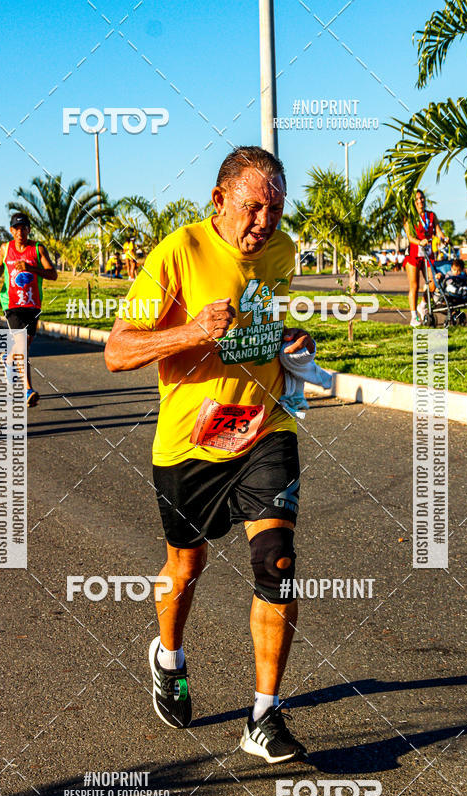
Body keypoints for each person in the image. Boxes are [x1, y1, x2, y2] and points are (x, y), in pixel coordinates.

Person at [105, 146, 313, 764]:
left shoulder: (282, 253)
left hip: (264, 426)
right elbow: (118, 351)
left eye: (274, 212)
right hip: (190, 443)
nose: (264, 225)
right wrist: (194, 330)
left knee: (277, 562)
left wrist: (293, 340)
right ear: (220, 201)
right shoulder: (179, 253)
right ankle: (168, 656)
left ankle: (264, 716)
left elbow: (268, 328)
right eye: (253, 209)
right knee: (185, 567)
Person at [0, 212, 57, 407]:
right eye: (16, 228)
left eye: (24, 228)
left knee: (24, 345)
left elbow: (53, 274)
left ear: (29, 229)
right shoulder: (5, 248)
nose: (20, 232)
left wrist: (30, 268)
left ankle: (7, 358)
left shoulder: (38, 249)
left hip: (33, 303)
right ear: (11, 230)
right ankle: (28, 389)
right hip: (11, 304)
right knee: (21, 344)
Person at [403, 189, 449, 327]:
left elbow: (438, 231)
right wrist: (419, 242)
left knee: (433, 282)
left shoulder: (431, 215)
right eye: (417, 199)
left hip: (428, 253)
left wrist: (444, 238)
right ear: (413, 202)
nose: (420, 201)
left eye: (421, 198)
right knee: (414, 286)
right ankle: (414, 316)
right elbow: (410, 237)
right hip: (413, 254)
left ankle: (422, 305)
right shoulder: (409, 217)